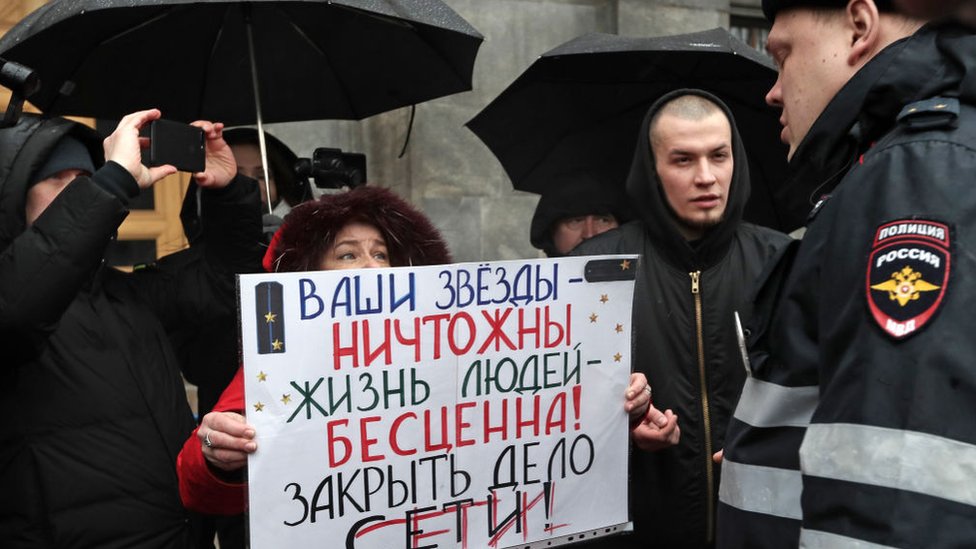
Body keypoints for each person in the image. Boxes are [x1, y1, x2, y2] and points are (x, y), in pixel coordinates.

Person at [176, 185, 655, 516]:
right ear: (309, 273)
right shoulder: (279, 368)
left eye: (380, 253)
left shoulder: (447, 351)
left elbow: (524, 417)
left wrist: (615, 402)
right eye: (347, 254)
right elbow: (198, 490)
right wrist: (219, 454)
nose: (370, 266)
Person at [717, 1, 976, 547]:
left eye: (783, 55)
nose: (772, 90)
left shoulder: (915, 172)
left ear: (860, 27)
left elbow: (898, 490)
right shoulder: (909, 161)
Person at [0, 108, 262, 547]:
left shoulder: (128, 294)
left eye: (84, 179)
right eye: (56, 179)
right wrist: (112, 183)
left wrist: (226, 194)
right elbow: (18, 311)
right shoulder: (17, 303)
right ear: (12, 197)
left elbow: (223, 287)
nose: (76, 192)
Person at [572, 89, 790, 548]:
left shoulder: (783, 262)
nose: (707, 177)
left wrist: (772, 443)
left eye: (719, 155)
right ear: (653, 170)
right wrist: (623, 425)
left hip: (759, 527)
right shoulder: (597, 269)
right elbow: (559, 419)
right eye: (683, 160)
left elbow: (826, 393)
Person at [171, 128, 306, 549]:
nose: (251, 183)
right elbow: (193, 363)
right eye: (241, 173)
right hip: (232, 445)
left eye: (261, 174)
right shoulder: (195, 269)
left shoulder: (311, 255)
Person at [529, 172, 633, 256]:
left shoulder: (647, 278)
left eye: (603, 220)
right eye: (576, 221)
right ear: (551, 230)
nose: (589, 234)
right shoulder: (529, 281)